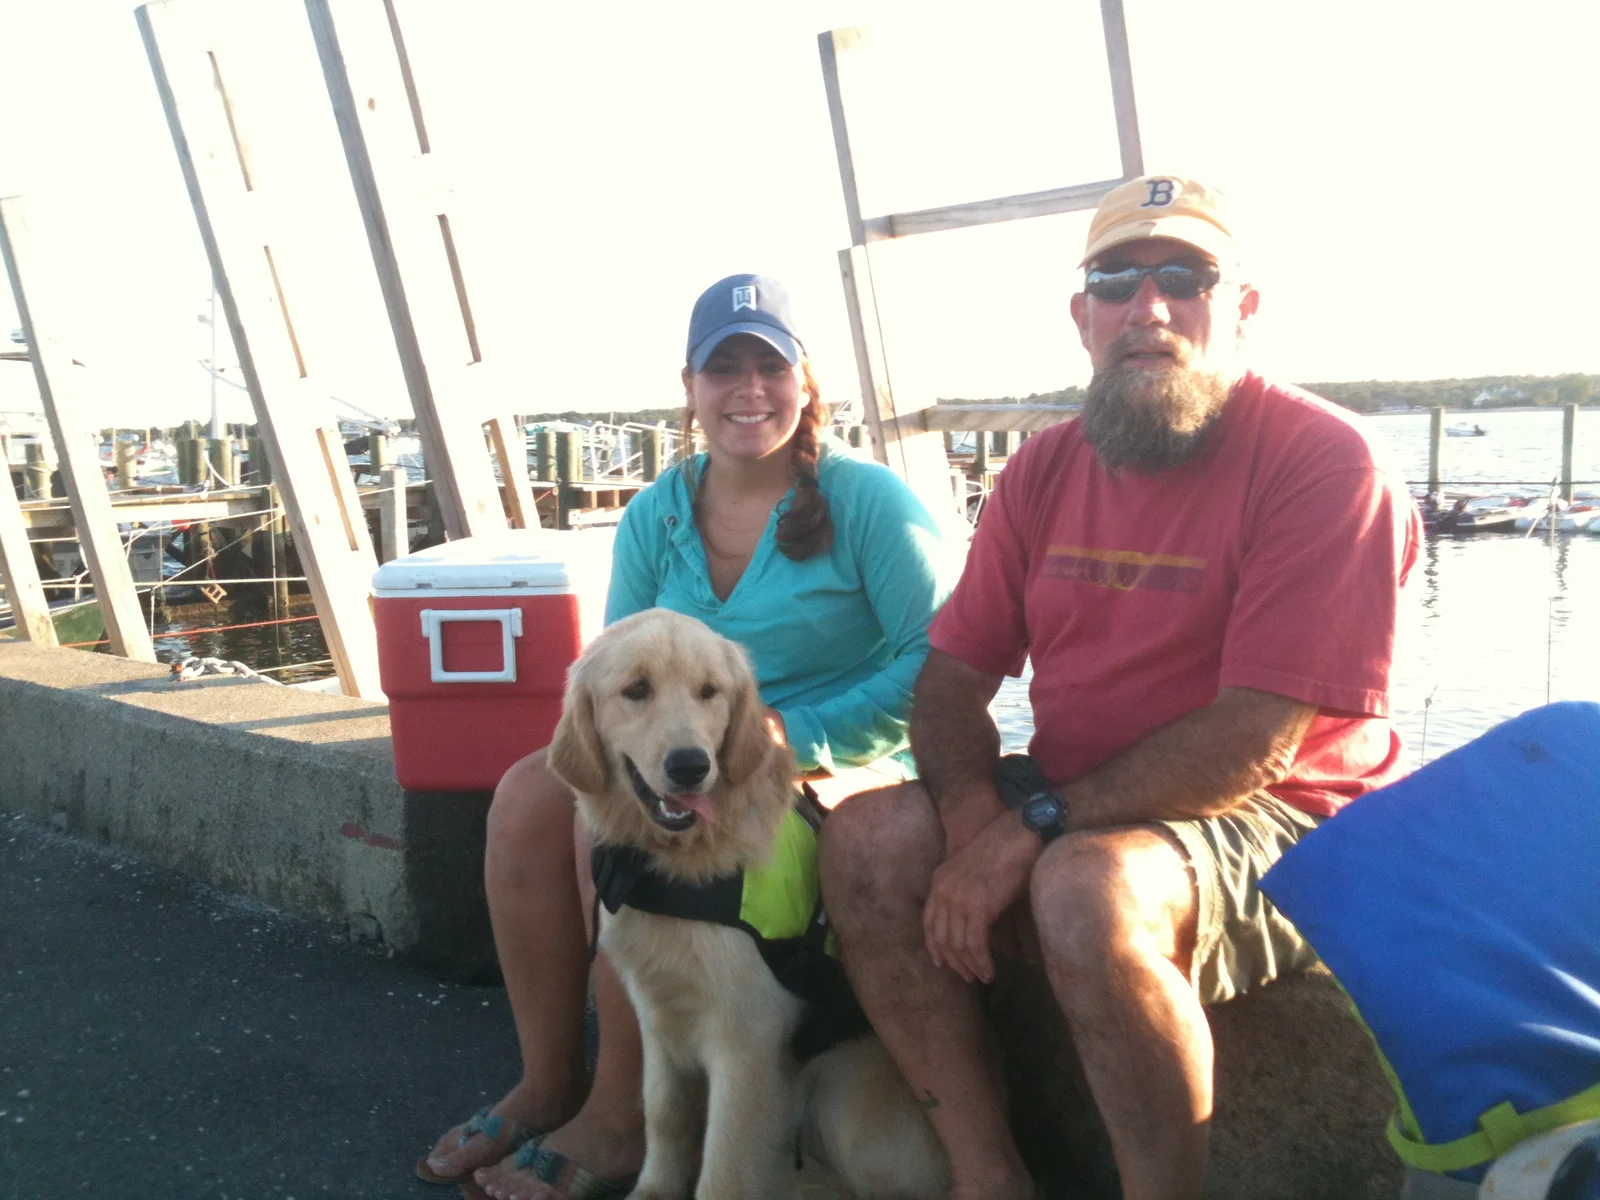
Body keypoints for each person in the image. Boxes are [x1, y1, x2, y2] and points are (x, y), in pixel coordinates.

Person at [818, 175, 1422, 1200]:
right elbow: (951, 682)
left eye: (1184, 277)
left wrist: (1027, 829)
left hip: (1289, 817)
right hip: (1083, 799)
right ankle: (986, 1174)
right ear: (1081, 316)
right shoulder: (1043, 470)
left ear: (1240, 308)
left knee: (1086, 889)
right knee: (867, 838)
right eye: (1115, 280)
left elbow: (1253, 742)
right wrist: (972, 813)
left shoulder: (1327, 463)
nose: (1148, 306)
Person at [419, 273, 954, 1200]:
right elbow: (625, 672)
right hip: (687, 754)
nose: (749, 390)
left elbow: (939, 665)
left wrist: (797, 730)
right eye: (725, 369)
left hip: (842, 757)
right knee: (529, 799)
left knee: (618, 854)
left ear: (806, 381)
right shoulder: (657, 512)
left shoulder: (872, 504)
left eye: (769, 367)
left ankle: (623, 1117)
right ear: (691, 386)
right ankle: (552, 1081)